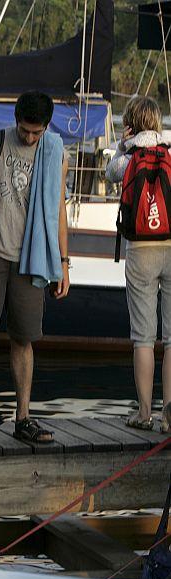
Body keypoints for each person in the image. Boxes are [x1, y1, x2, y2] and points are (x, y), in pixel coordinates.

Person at [0, 90, 70, 448]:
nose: (30, 138)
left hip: (31, 257)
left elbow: (59, 211)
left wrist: (63, 263)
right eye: (25, 130)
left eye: (37, 133)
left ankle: (23, 417)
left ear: (47, 127)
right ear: (16, 120)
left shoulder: (56, 153)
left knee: (24, 338)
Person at [106, 95, 171, 432]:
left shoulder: (128, 157)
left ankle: (144, 413)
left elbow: (110, 172)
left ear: (129, 122)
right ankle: (168, 419)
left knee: (144, 337)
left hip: (140, 250)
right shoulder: (170, 153)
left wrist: (122, 145)